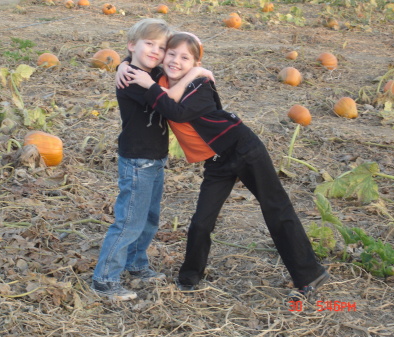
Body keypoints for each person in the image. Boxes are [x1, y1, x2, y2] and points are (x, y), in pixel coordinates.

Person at [124, 32, 330, 299]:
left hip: (244, 149)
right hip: (217, 162)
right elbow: (138, 58)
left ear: (196, 63)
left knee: (276, 208)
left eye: (185, 58)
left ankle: (309, 273)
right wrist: (121, 65)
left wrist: (197, 74)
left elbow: (175, 112)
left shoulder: (201, 86)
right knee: (201, 222)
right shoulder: (159, 79)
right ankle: (189, 277)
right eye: (171, 54)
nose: (175, 61)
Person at [92, 19, 214, 302]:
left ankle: (136, 265)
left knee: (149, 219)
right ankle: (104, 280)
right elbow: (169, 100)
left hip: (155, 158)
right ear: (132, 44)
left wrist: (122, 61)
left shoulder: (149, 72)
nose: (156, 52)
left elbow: (168, 71)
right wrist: (196, 72)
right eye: (150, 44)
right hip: (137, 159)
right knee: (129, 222)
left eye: (161, 48)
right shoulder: (134, 78)